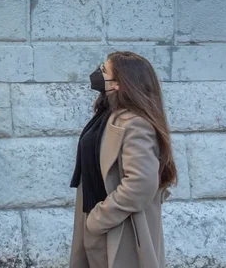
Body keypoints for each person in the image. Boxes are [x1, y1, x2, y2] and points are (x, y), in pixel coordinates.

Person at [70, 52, 177, 268]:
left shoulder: (135, 124)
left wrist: (100, 217)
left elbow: (140, 184)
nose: (98, 73)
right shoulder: (107, 115)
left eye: (104, 70)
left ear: (119, 83)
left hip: (119, 227)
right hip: (99, 222)